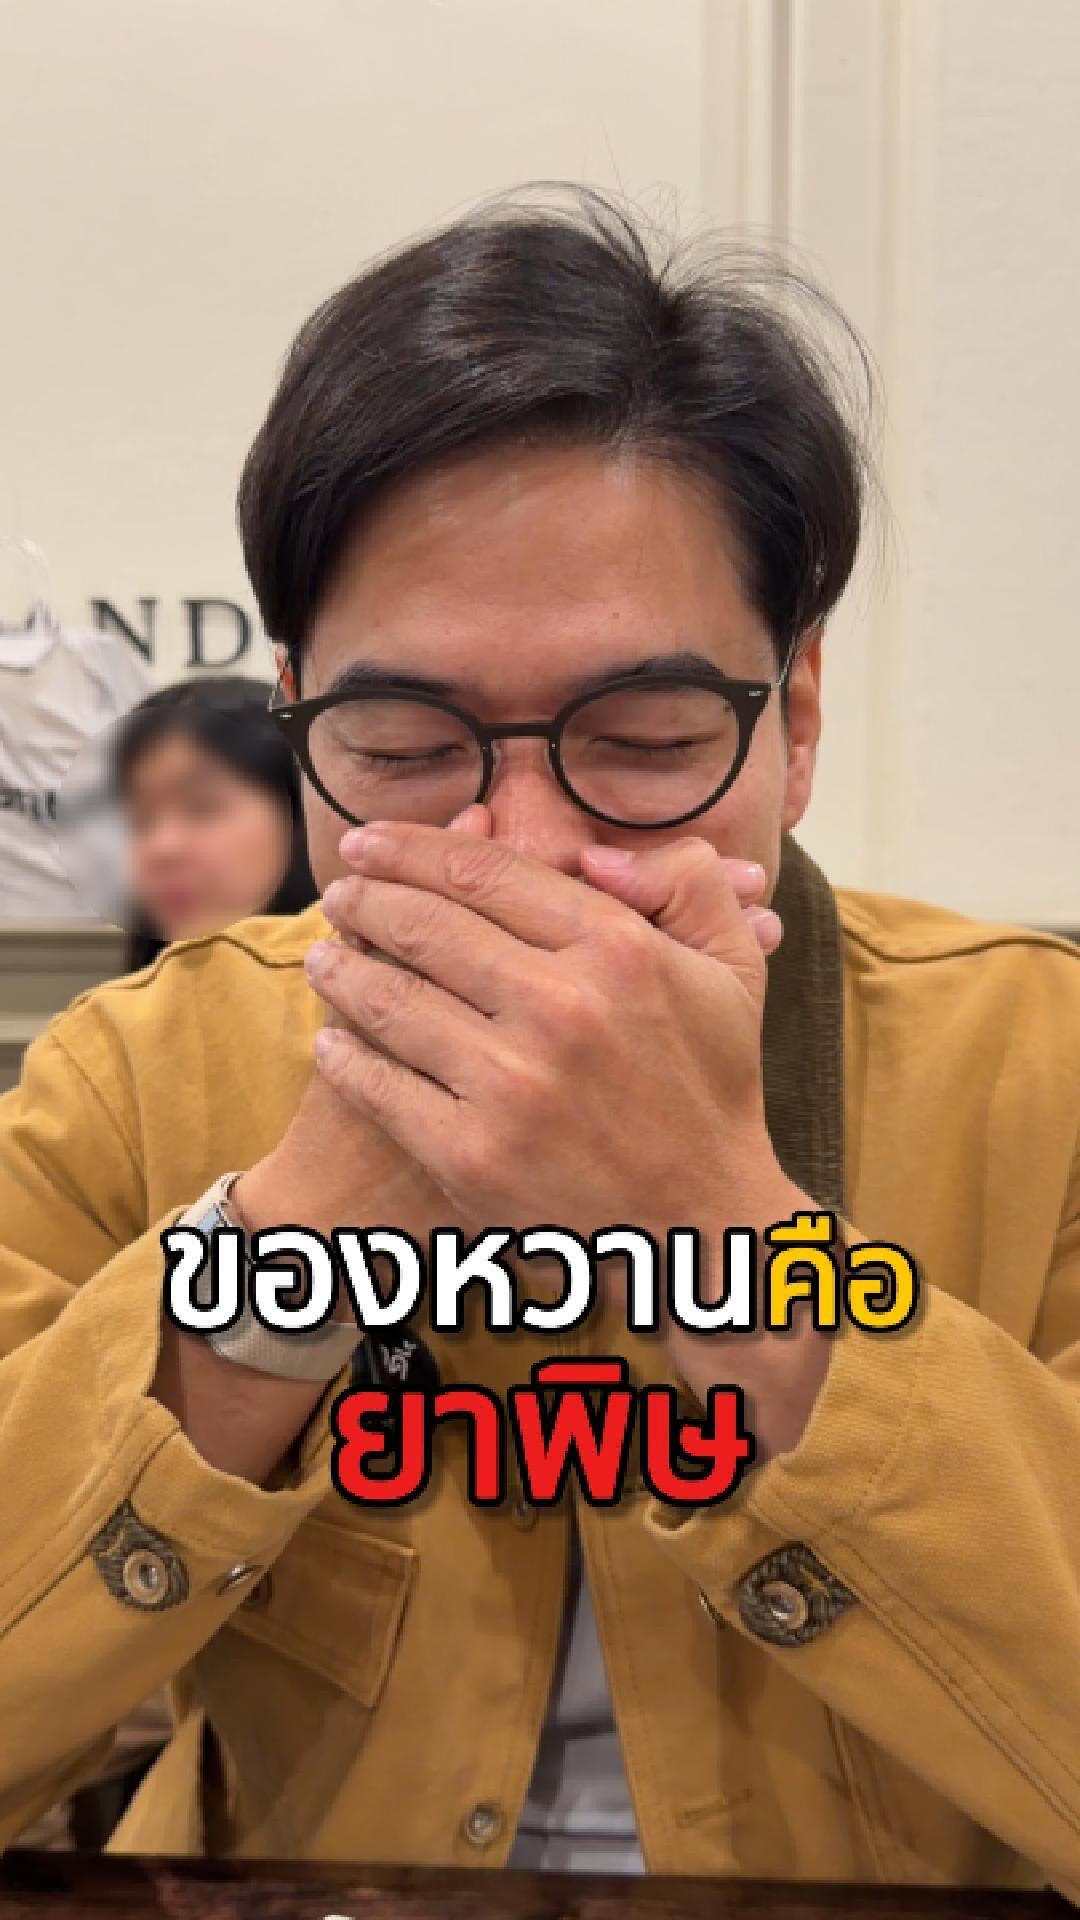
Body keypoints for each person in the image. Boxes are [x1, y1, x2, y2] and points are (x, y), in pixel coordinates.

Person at [0, 190, 1077, 1896]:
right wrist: (295, 1242)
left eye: (640, 738)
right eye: (403, 744)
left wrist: (721, 1236)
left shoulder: (1040, 1072)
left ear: (796, 721)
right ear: (295, 718)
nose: (521, 851)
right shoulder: (139, 1072)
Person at [110, 676, 317, 970]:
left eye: (202, 808)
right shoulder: (121, 999)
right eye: (140, 821)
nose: (163, 848)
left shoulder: (371, 991)